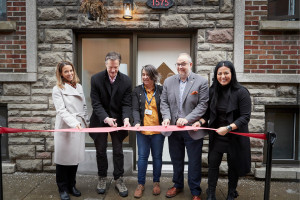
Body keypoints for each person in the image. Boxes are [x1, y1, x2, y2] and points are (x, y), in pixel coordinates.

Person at [192, 61, 251, 200]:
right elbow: (207, 114)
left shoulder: (241, 92)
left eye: (226, 73)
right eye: (220, 73)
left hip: (234, 135)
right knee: (213, 164)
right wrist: (199, 122)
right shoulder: (212, 91)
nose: (222, 76)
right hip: (218, 135)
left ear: (232, 74)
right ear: (216, 75)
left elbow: (245, 117)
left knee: (233, 166)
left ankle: (231, 192)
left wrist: (229, 127)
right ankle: (211, 193)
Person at [160, 53, 209, 200]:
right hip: (174, 130)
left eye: (183, 64)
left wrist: (186, 119)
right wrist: (167, 118)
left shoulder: (201, 81)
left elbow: (203, 105)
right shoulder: (168, 82)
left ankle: (195, 191)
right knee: (176, 159)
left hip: (192, 129)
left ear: (190, 65)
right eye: (178, 64)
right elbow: (164, 102)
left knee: (194, 162)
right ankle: (177, 185)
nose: (180, 67)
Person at [89, 52, 132, 197]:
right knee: (100, 150)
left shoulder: (126, 81)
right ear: (106, 64)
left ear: (119, 65)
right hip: (100, 119)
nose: (113, 71)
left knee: (118, 151)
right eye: (110, 68)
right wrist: (106, 118)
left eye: (115, 67)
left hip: (118, 120)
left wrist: (126, 119)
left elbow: (127, 103)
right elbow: (96, 103)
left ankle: (118, 179)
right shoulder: (95, 79)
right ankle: (102, 178)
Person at [52, 61, 90, 200]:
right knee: (63, 159)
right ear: (61, 74)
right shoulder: (58, 89)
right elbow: (61, 110)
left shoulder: (78, 86)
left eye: (71, 70)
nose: (69, 73)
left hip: (79, 126)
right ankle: (62, 188)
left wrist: (86, 122)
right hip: (65, 126)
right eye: (66, 71)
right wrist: (74, 123)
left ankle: (71, 185)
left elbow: (84, 106)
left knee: (75, 158)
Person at [132, 65, 165, 198]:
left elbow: (165, 107)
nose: (145, 77)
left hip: (158, 132)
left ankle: (156, 182)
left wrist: (166, 120)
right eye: (143, 74)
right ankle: (141, 184)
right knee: (142, 158)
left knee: (157, 157)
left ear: (154, 76)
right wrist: (137, 122)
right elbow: (134, 109)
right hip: (143, 132)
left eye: (147, 75)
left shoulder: (161, 90)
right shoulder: (137, 90)